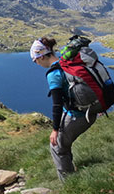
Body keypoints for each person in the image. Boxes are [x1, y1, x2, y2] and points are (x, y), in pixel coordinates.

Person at [31, 37, 97, 181]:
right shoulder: (64, 64)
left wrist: (55, 129)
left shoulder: (54, 73)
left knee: (56, 146)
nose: (35, 63)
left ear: (41, 56)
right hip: (90, 110)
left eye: (34, 59)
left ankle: (68, 184)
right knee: (64, 143)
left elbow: (57, 104)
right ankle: (71, 171)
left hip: (79, 115)